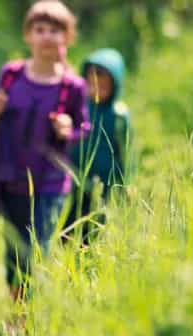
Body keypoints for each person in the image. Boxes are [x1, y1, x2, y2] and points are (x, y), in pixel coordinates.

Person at [0, 0, 89, 300]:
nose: (47, 36)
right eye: (40, 29)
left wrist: (68, 129)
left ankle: (29, 313)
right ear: (28, 36)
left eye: (55, 30)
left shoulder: (72, 86)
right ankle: (17, 309)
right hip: (10, 177)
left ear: (68, 37)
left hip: (49, 182)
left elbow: (84, 129)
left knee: (36, 246)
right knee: (14, 248)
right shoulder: (11, 74)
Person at [67, 48, 131, 244]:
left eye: (103, 87)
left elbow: (127, 151)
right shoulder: (78, 107)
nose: (96, 91)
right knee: (68, 225)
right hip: (74, 178)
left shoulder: (118, 115)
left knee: (94, 227)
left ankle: (87, 259)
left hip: (105, 184)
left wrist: (126, 182)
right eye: (92, 85)